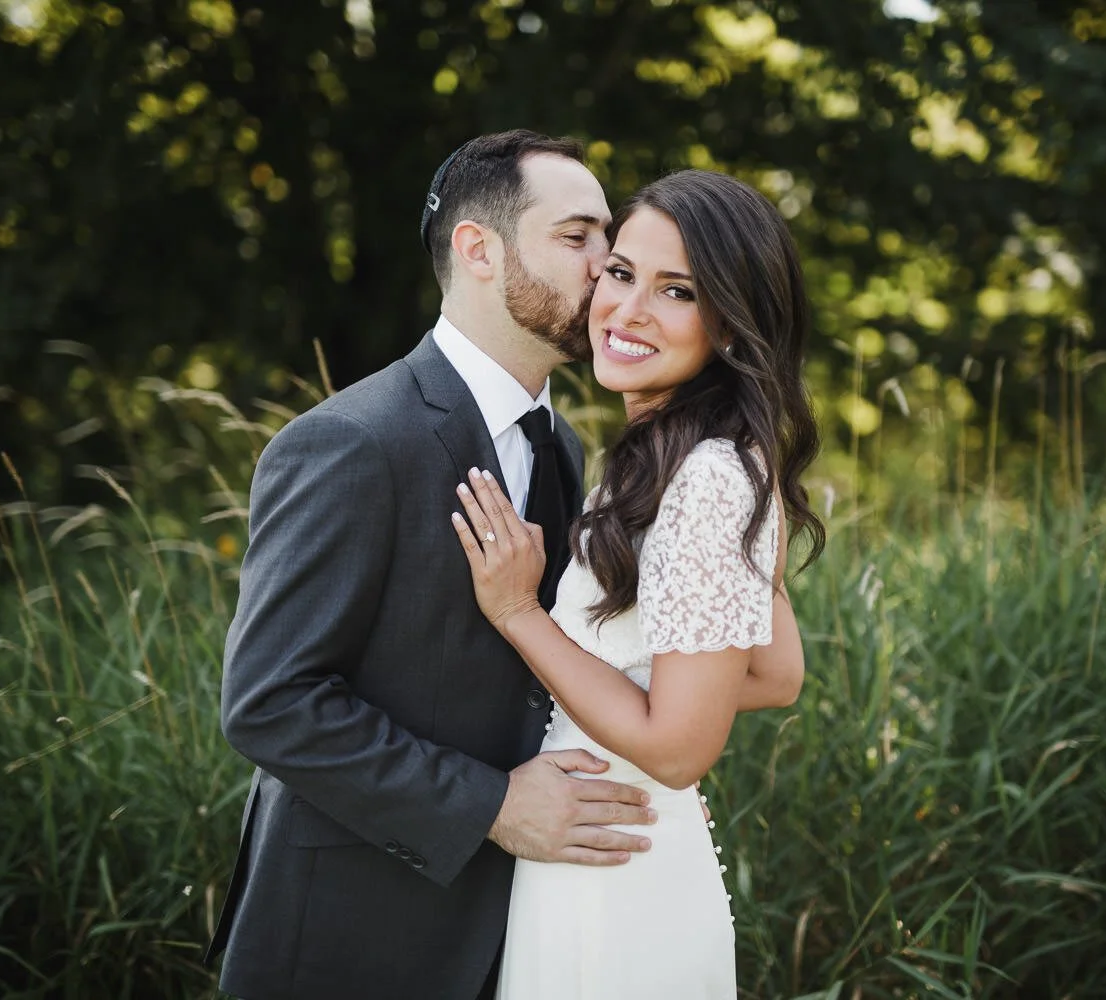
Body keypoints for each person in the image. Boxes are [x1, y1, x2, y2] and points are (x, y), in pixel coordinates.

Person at [205, 130, 663, 1000]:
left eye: (611, 238)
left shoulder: (564, 446)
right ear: (478, 249)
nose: (608, 267)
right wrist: (490, 806)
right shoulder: (351, 442)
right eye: (578, 238)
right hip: (348, 937)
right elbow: (270, 703)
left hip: (517, 936)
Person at [451, 168, 825, 998]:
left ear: (730, 325)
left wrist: (519, 613)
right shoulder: (678, 460)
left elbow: (681, 747)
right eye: (621, 273)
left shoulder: (709, 478)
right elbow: (773, 671)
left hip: (611, 872)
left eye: (677, 291)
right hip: (614, 845)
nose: (628, 310)